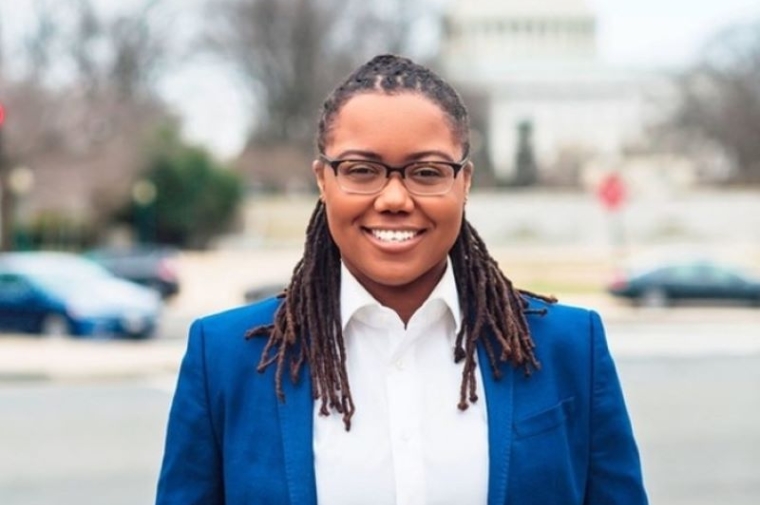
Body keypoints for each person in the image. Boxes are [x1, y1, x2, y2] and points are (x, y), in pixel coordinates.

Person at [156, 54, 648, 505]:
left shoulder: (569, 348)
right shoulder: (224, 357)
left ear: (465, 182)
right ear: (323, 181)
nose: (394, 198)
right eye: (362, 170)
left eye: (427, 172)